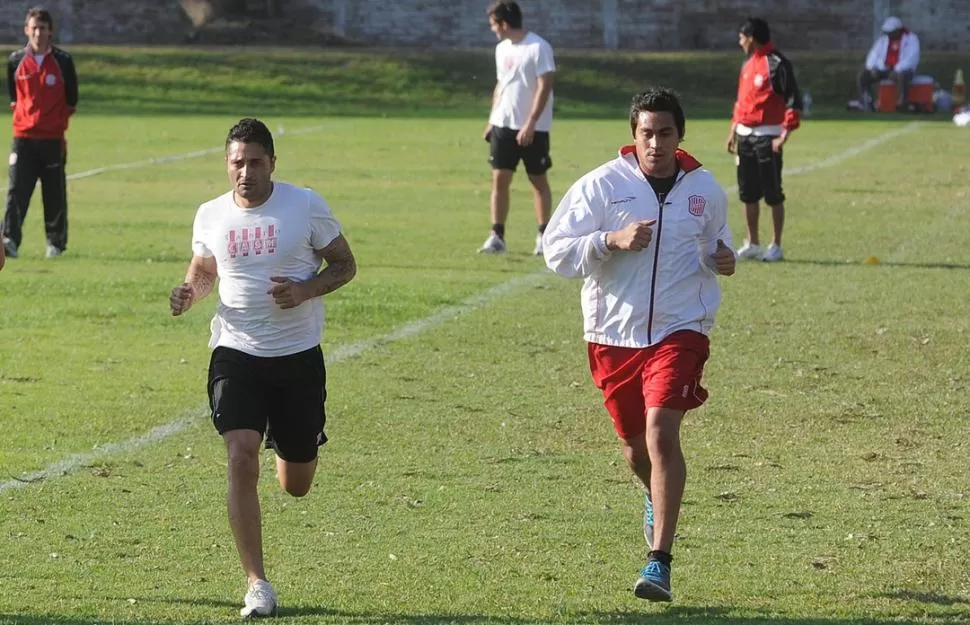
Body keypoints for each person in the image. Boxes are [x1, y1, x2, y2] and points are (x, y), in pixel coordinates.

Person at [543, 88, 736, 602]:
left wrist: (725, 255)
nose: (655, 143)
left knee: (660, 430)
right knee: (634, 451)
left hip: (682, 327)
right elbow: (555, 251)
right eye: (646, 133)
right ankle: (652, 495)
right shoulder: (602, 185)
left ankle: (659, 563)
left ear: (680, 135)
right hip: (614, 334)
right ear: (633, 136)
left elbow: (719, 237)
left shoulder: (704, 188)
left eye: (665, 133)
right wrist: (609, 240)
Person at [169, 118, 357, 618]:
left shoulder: (304, 205)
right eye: (237, 162)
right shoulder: (210, 214)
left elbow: (344, 265)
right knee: (240, 453)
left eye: (255, 161)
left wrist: (304, 290)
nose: (245, 172)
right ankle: (257, 582)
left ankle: (288, 442)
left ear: (273, 162)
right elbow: (205, 270)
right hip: (235, 351)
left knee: (297, 483)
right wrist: (191, 292)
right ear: (226, 164)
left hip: (297, 359)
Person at [479, 0, 556, 256]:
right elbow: (501, 85)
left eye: (493, 24)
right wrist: (492, 119)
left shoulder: (538, 47)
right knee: (499, 180)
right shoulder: (501, 49)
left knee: (537, 180)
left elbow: (545, 86)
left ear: (504, 23)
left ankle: (543, 236)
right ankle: (497, 236)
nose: (492, 30)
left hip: (533, 128)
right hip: (504, 125)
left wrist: (531, 122)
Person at [2, 6, 78, 260]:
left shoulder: (63, 62)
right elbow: (13, 98)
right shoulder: (14, 61)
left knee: (53, 192)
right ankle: (9, 239)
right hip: (23, 137)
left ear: (50, 31)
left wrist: (53, 123)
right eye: (33, 27)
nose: (38, 32)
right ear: (26, 30)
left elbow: (71, 101)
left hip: (52, 139)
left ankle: (55, 244)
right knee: (16, 190)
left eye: (42, 28)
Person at [725, 17, 801, 263]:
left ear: (751, 38)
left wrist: (784, 135)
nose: (739, 43)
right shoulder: (747, 66)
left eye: (741, 38)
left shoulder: (777, 64)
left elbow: (793, 100)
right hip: (745, 137)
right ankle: (752, 243)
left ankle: (776, 245)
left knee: (772, 193)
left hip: (768, 137)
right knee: (747, 193)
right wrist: (733, 131)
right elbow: (741, 102)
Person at [858, 16, 920, 111]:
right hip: (884, 69)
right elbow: (874, 54)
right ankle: (867, 102)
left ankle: (901, 103)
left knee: (902, 76)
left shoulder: (911, 39)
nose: (889, 35)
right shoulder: (883, 40)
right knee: (863, 76)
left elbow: (911, 58)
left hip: (902, 70)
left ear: (898, 30)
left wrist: (897, 69)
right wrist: (872, 67)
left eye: (891, 32)